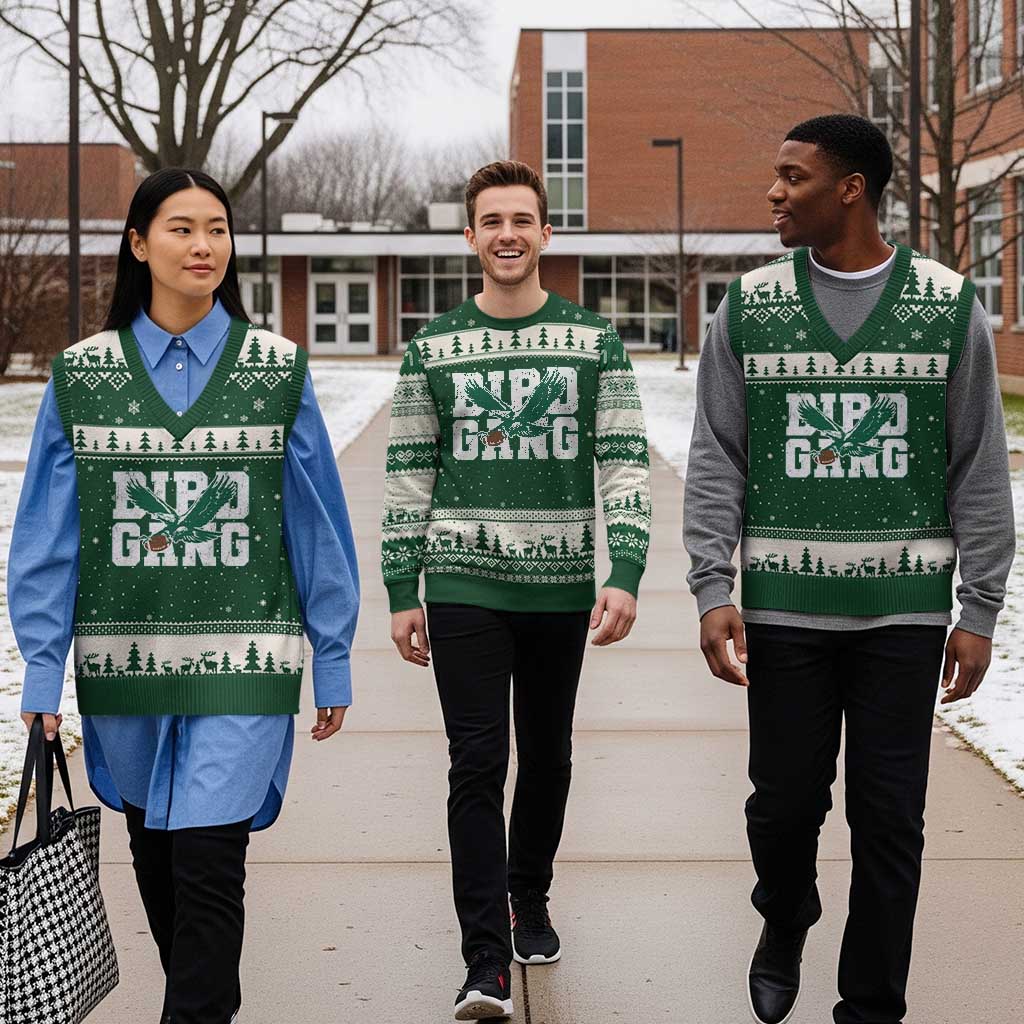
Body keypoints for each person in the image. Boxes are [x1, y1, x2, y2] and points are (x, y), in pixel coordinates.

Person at [684, 113, 1015, 1024]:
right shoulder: (750, 305)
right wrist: (713, 586)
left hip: (904, 617)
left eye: (793, 176)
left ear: (851, 189)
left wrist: (980, 608)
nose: (774, 192)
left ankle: (871, 1005)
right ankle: (784, 914)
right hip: (786, 612)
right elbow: (718, 454)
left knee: (889, 823)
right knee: (782, 810)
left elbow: (977, 464)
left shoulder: (946, 306)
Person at [11, 168, 359, 1024]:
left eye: (216, 229)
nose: (203, 246)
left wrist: (334, 654)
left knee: (210, 863)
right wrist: (42, 675)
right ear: (138, 244)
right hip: (123, 661)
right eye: (180, 229)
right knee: (159, 860)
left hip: (245, 660)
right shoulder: (82, 376)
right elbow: (47, 539)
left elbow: (315, 523)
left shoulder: (277, 371)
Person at [381, 160, 651, 1021]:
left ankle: (526, 895)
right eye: (491, 220)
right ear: (469, 236)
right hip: (463, 578)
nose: (507, 234)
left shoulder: (593, 341)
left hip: (561, 586)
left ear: (545, 233)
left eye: (522, 220)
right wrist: (401, 586)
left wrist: (627, 569)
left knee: (548, 752)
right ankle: (484, 960)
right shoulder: (432, 349)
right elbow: (407, 474)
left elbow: (623, 460)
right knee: (476, 761)